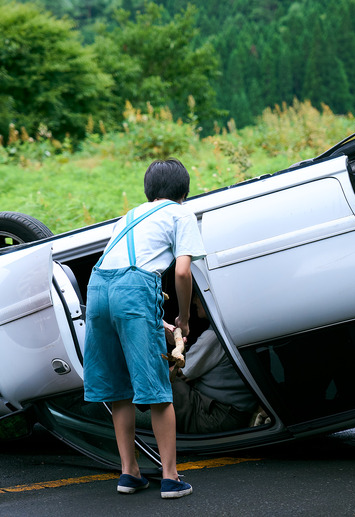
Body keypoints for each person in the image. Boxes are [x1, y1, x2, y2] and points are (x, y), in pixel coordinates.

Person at [82, 158, 206, 500]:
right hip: (134, 290)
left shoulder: (130, 215)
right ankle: (170, 478)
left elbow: (119, 282)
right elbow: (182, 272)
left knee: (119, 388)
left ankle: (129, 473)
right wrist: (183, 318)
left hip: (98, 289)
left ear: (148, 190)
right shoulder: (181, 214)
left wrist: (156, 321)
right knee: (156, 388)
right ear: (183, 192)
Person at [171, 298, 260, 434]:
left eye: (197, 296)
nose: (194, 301)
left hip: (219, 417)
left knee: (164, 378)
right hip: (237, 412)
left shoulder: (213, 337)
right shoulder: (233, 328)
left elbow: (178, 372)